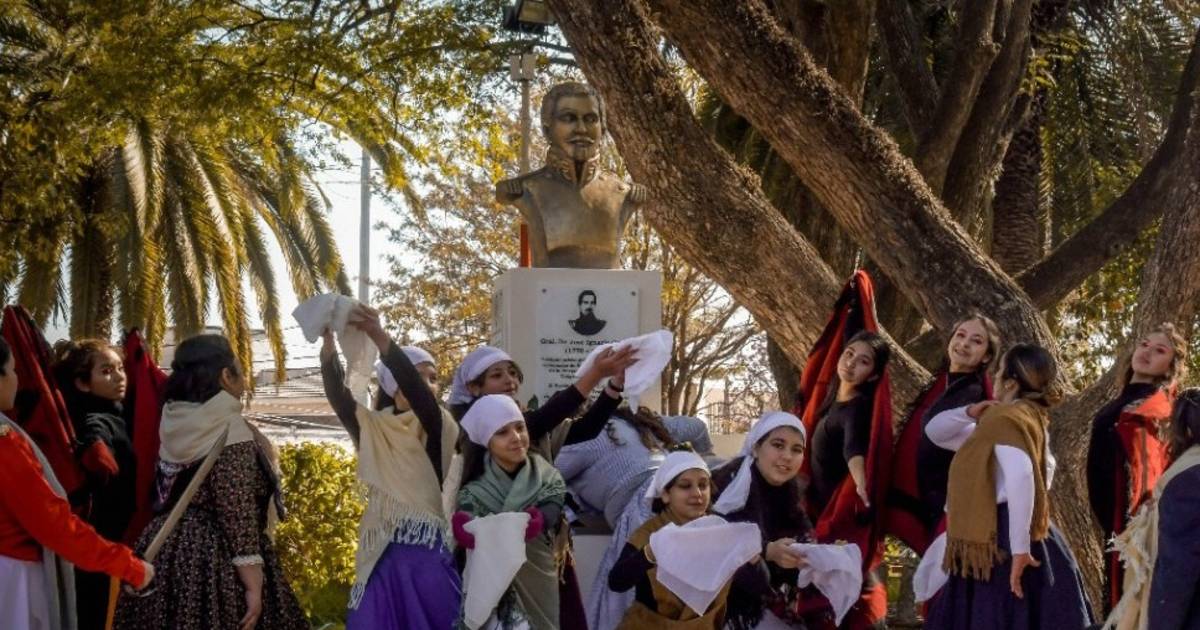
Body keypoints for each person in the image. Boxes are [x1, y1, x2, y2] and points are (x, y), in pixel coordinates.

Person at [113, 334, 306, 630]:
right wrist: (254, 586)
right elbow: (236, 511)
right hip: (212, 560)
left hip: (165, 550)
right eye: (240, 372)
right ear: (225, 377)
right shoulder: (231, 429)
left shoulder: (173, 421)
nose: (246, 380)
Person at [451, 342, 635, 627]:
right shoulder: (476, 427)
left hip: (541, 541)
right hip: (493, 545)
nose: (509, 380)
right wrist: (594, 373)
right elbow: (546, 416)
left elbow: (584, 428)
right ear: (474, 388)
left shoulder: (526, 426)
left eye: (512, 373)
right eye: (497, 375)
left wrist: (613, 386)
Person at [921, 344, 1093, 630]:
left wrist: (1019, 549)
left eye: (998, 372)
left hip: (1002, 539)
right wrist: (971, 411)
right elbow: (935, 432)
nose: (994, 378)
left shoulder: (1006, 419)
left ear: (1011, 383)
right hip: (1020, 534)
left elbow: (1022, 475)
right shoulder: (1024, 420)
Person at [318, 304, 461, 629]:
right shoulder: (373, 428)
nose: (427, 383)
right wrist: (328, 349)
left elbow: (419, 396)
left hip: (425, 556)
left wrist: (380, 338)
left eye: (433, 378)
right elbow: (340, 401)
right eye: (417, 374)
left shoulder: (439, 425)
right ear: (389, 383)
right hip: (381, 553)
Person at [0, 336, 154, 629]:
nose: (17, 379)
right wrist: (129, 567)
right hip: (13, 582)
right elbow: (53, 523)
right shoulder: (5, 443)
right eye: (12, 370)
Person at [557, 406, 717, 630]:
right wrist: (704, 462)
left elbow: (543, 476)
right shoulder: (637, 420)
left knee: (640, 597)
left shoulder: (579, 439)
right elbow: (697, 426)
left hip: (646, 506)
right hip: (675, 495)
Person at [1086, 323, 1186, 614]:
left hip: (1136, 529)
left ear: (1170, 366)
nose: (1147, 352)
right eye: (1144, 344)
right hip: (1110, 523)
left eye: (1159, 350)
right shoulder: (1121, 402)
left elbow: (1156, 466)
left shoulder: (1159, 410)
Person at [609, 449, 767, 629]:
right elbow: (617, 581)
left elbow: (758, 585)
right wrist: (649, 554)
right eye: (685, 486)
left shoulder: (719, 532)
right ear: (666, 494)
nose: (697, 493)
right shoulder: (650, 534)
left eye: (703, 485)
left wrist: (752, 560)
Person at [886, 313, 1000, 554]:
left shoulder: (972, 392)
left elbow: (939, 433)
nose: (964, 343)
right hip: (923, 500)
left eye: (976, 341)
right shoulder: (947, 382)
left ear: (987, 356)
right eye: (960, 335)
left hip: (942, 510)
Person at [453, 394, 568, 629]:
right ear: (487, 441)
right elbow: (467, 515)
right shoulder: (474, 490)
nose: (516, 438)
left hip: (536, 575)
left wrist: (541, 519)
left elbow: (553, 506)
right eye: (502, 432)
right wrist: (464, 526)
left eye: (519, 428)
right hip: (493, 582)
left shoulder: (547, 476)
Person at [711, 410, 826, 629]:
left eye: (796, 449)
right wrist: (767, 551)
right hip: (724, 608)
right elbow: (715, 544)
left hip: (764, 602)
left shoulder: (790, 492)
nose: (787, 456)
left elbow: (801, 537)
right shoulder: (729, 485)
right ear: (756, 447)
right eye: (778, 445)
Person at [54, 339, 138, 630]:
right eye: (106, 371)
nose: (119, 376)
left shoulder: (116, 413)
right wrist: (98, 455)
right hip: (100, 551)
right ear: (82, 383)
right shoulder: (95, 418)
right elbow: (93, 439)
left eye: (120, 368)